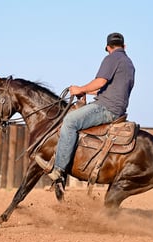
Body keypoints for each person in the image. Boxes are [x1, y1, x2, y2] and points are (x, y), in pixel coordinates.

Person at [36, 32, 135, 184]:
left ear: (108, 47)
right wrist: (84, 91)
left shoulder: (112, 58)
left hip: (106, 108)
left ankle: (59, 169)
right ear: (124, 46)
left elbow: (100, 82)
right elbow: (107, 88)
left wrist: (80, 89)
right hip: (117, 108)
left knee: (69, 121)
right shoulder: (129, 63)